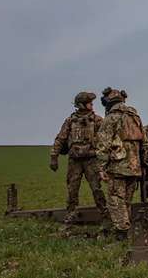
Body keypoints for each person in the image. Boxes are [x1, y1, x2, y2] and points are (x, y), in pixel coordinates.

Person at [95, 87, 148, 240]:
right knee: (127, 200)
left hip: (117, 167)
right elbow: (145, 143)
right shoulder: (135, 117)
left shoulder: (111, 118)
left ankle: (122, 233)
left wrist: (101, 168)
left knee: (115, 199)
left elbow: (102, 145)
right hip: (135, 167)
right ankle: (127, 228)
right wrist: (141, 163)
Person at [50, 92, 109, 225]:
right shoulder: (70, 121)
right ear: (82, 105)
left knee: (96, 189)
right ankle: (71, 215)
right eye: (90, 103)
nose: (92, 105)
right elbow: (60, 139)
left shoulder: (97, 120)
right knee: (72, 189)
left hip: (91, 160)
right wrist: (54, 157)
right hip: (74, 161)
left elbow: (106, 139)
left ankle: (105, 215)